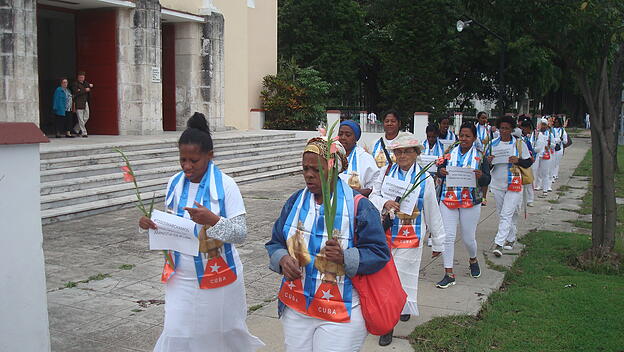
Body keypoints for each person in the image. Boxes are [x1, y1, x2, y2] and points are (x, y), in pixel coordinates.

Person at [138, 112, 264, 352]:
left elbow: (241, 233)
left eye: (193, 161)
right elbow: (174, 227)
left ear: (209, 156)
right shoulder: (174, 183)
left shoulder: (226, 185)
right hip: (181, 275)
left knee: (215, 336)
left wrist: (213, 220)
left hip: (218, 275)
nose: (187, 166)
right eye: (182, 159)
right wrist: (152, 225)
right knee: (176, 332)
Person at [266, 137, 389, 352]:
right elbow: (275, 242)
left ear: (333, 170)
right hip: (297, 307)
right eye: (305, 168)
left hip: (341, 312)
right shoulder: (295, 202)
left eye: (316, 169)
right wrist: (282, 259)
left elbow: (379, 253)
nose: (309, 175)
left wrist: (345, 257)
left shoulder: (360, 207)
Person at [369, 134, 446, 346]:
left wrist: (438, 242)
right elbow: (373, 197)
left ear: (416, 153)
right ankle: (393, 314)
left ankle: (390, 324)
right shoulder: (384, 173)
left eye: (407, 151)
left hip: (410, 237)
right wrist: (385, 203)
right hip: (385, 236)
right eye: (398, 151)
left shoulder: (424, 179)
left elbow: (432, 210)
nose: (402, 155)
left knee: (402, 279)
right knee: (386, 280)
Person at [435, 122, 491, 288]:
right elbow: (439, 168)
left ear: (474, 138)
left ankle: (473, 258)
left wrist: (481, 176)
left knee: (468, 238)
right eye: (461, 135)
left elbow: (487, 179)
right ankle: (448, 273)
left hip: (470, 201)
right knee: (448, 237)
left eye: (468, 136)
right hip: (449, 199)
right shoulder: (449, 152)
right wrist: (441, 172)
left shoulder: (480, 156)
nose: (464, 139)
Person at [486, 116, 533, 256]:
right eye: (502, 128)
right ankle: (511, 238)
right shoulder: (493, 144)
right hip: (497, 183)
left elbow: (529, 162)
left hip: (514, 182)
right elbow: (486, 167)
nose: (504, 131)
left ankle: (499, 243)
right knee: (503, 213)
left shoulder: (519, 144)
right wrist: (489, 161)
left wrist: (517, 160)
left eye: (507, 128)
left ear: (512, 129)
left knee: (507, 213)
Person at [338, 120, 380, 197]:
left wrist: (355, 193)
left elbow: (374, 188)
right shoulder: (332, 155)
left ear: (356, 138)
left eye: (348, 135)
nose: (343, 137)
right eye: (340, 134)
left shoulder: (366, 158)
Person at [521, 119, 547, 207]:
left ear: (529, 128)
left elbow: (539, 148)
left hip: (533, 158)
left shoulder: (537, 135)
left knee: (531, 178)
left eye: (525, 129)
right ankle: (522, 197)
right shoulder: (522, 137)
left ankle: (530, 199)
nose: (523, 130)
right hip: (523, 159)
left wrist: (529, 150)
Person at [535, 118, 557, 197]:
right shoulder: (536, 133)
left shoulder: (550, 134)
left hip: (546, 155)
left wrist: (550, 145)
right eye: (542, 124)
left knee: (545, 173)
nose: (543, 126)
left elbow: (554, 145)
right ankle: (537, 185)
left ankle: (545, 190)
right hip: (537, 155)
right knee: (536, 172)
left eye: (544, 124)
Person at [71, 71, 93, 137]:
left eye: (83, 77)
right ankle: (84, 132)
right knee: (80, 118)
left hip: (85, 102)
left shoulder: (85, 83)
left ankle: (76, 129)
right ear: (78, 77)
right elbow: (75, 92)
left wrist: (88, 86)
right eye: (80, 77)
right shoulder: (75, 84)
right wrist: (85, 90)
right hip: (78, 102)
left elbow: (90, 86)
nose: (81, 78)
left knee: (86, 117)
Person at [551, 116, 568, 181]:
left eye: (558, 122)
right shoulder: (551, 130)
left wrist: (561, 139)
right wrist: (558, 139)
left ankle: (555, 174)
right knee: (552, 161)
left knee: (557, 162)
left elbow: (565, 141)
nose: (556, 124)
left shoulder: (562, 130)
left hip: (559, 148)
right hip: (552, 147)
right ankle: (551, 174)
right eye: (555, 122)